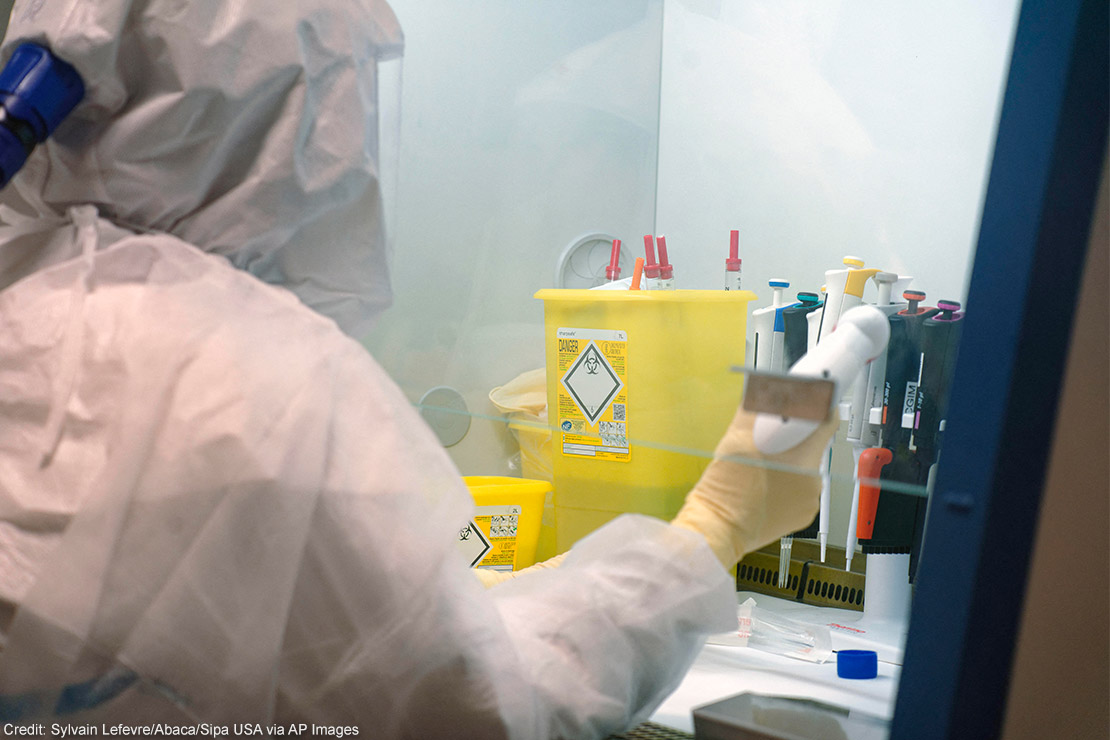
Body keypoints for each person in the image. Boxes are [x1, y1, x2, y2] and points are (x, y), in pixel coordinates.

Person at [0, 0, 836, 737]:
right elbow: (479, 708)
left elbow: (353, 644)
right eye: (347, 84)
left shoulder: (25, 293)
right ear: (294, 102)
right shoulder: (248, 378)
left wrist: (531, 588)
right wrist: (711, 532)